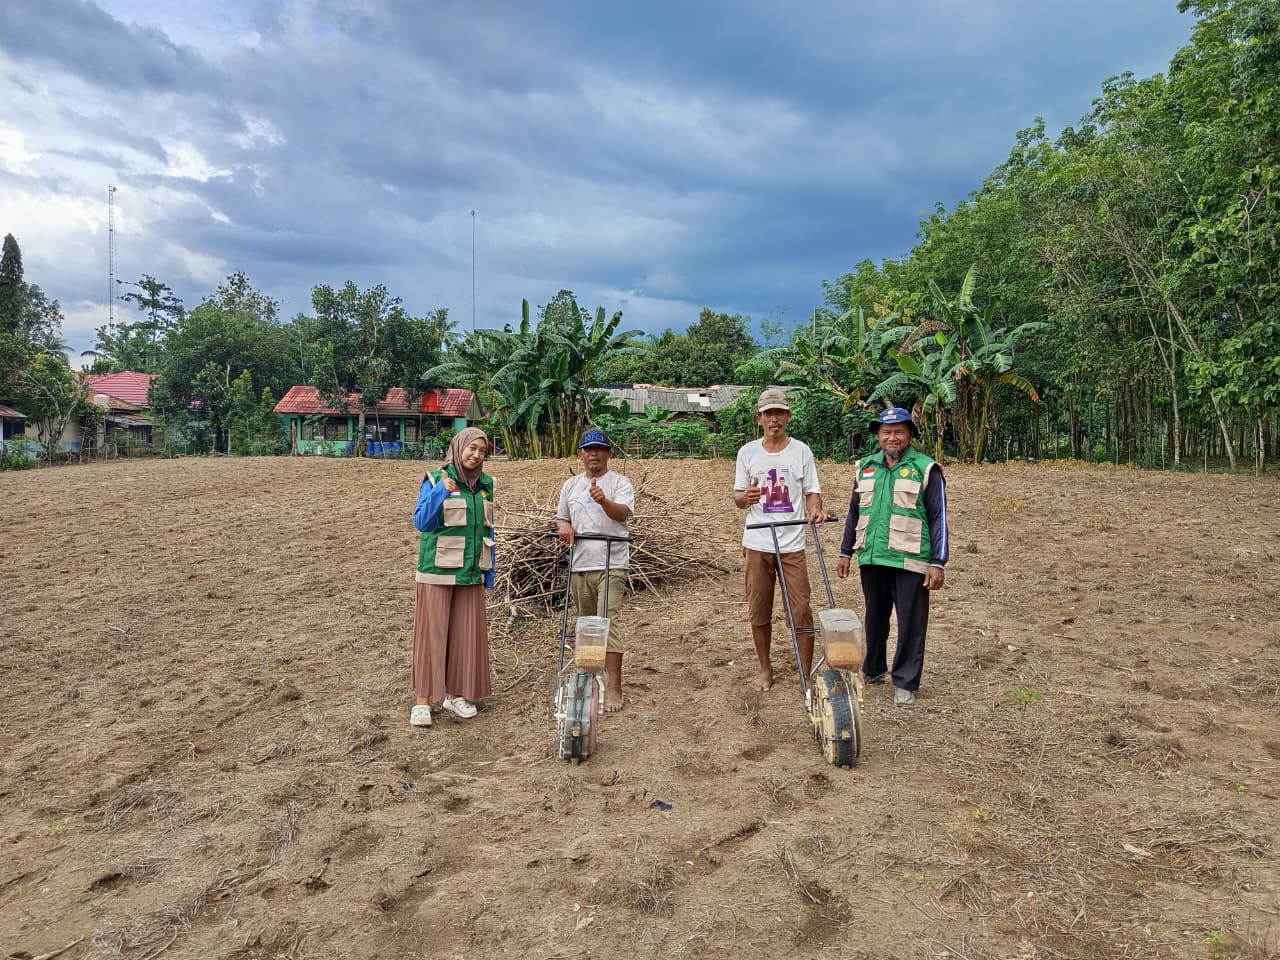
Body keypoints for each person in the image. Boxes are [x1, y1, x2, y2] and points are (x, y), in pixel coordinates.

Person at [836, 407, 949, 707]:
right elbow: (853, 512)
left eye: (899, 431)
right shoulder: (865, 467)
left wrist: (938, 561)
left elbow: (939, 518)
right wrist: (845, 551)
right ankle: (873, 669)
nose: (892, 437)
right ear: (878, 436)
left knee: (910, 623)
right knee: (874, 618)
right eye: (886, 432)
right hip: (872, 557)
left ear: (910, 434)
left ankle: (905, 681)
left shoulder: (926, 469)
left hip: (910, 559)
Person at [732, 388, 824, 692]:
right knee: (759, 609)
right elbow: (738, 497)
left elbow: (812, 491)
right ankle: (765, 669)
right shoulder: (747, 452)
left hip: (792, 544)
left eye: (780, 413)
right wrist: (746, 497)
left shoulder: (801, 451)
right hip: (758, 542)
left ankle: (806, 673)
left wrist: (814, 509)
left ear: (788, 417)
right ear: (759, 419)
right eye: (768, 414)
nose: (774, 419)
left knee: (800, 609)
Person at [408, 426, 496, 727]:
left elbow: (488, 529)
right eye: (472, 448)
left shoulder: (486, 484)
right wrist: (440, 491)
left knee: (465, 636)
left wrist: (489, 570)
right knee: (431, 636)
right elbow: (421, 522)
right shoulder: (436, 478)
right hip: (437, 571)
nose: (476, 455)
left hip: (471, 572)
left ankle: (455, 694)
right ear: (458, 447)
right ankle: (423, 700)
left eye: (482, 451)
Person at [556, 427, 635, 712]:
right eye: (588, 449)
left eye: (599, 449)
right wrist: (565, 528)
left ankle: (614, 686)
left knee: (608, 620)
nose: (594, 454)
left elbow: (623, 514)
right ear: (580, 454)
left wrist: (603, 501)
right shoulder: (570, 486)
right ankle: (590, 680)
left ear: (608, 454)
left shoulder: (619, 483)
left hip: (611, 561)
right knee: (587, 624)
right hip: (581, 563)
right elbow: (562, 519)